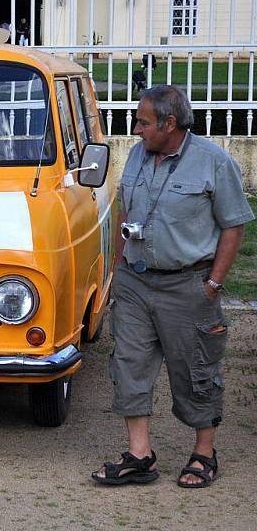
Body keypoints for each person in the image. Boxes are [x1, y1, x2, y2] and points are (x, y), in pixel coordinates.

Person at [92, 85, 253, 488]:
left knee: (196, 370)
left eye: (144, 122)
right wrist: (116, 273)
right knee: (129, 364)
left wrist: (213, 283)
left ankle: (203, 453)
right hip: (135, 280)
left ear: (169, 123)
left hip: (188, 284)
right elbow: (126, 212)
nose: (136, 128)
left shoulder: (214, 162)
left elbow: (234, 224)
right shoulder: (136, 154)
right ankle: (139, 455)